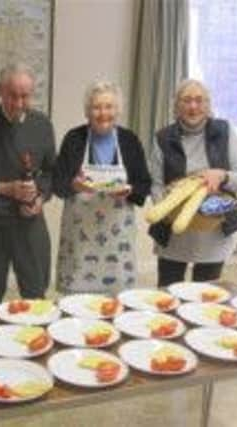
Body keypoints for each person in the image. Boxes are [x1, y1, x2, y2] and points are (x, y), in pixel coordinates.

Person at [0, 63, 56, 305]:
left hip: (30, 224)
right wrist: (6, 189)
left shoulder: (43, 125)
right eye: (12, 95)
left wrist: (40, 197)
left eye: (25, 96)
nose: (18, 103)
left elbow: (50, 174)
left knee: (36, 295)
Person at [53, 80, 151, 296]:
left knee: (115, 303)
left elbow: (144, 183)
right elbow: (57, 183)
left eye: (109, 106)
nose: (103, 113)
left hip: (117, 241)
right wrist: (73, 184)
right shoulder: (74, 138)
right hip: (80, 239)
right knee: (77, 302)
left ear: (118, 110)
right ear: (88, 111)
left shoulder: (129, 140)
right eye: (97, 107)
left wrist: (130, 190)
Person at [148, 79, 237, 287]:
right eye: (186, 100)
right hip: (174, 232)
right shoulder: (163, 138)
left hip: (214, 232)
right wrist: (166, 208)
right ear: (177, 106)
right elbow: (155, 184)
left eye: (199, 100)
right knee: (168, 294)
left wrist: (222, 175)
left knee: (205, 298)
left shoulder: (224, 131)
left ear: (208, 105)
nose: (193, 106)